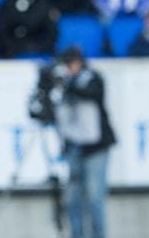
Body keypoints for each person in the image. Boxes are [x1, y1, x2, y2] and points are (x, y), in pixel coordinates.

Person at [52, 46, 116, 238]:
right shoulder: (63, 86)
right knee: (73, 198)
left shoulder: (93, 78)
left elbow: (91, 93)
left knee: (95, 196)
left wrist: (68, 85)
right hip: (74, 147)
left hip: (96, 147)